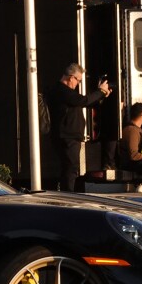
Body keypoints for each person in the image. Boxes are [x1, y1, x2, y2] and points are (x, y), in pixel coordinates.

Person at [47, 62, 111, 191]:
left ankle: (68, 193)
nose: (78, 84)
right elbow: (83, 101)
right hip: (67, 136)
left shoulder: (66, 92)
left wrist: (101, 95)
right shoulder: (61, 90)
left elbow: (85, 102)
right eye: (78, 81)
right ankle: (68, 195)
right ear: (71, 77)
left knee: (70, 167)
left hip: (70, 136)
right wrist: (100, 91)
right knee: (71, 167)